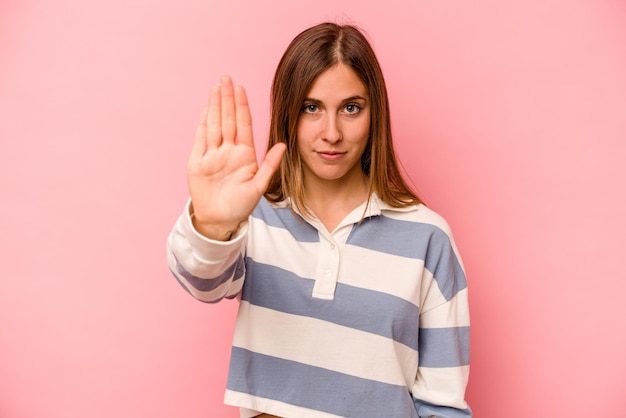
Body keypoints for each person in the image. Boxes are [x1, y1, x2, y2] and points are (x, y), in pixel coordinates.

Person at [167, 22, 472, 418]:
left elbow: (443, 406)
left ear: (373, 114)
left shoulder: (427, 237)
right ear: (288, 115)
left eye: (351, 108)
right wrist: (212, 225)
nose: (332, 133)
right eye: (312, 108)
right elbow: (200, 281)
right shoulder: (252, 219)